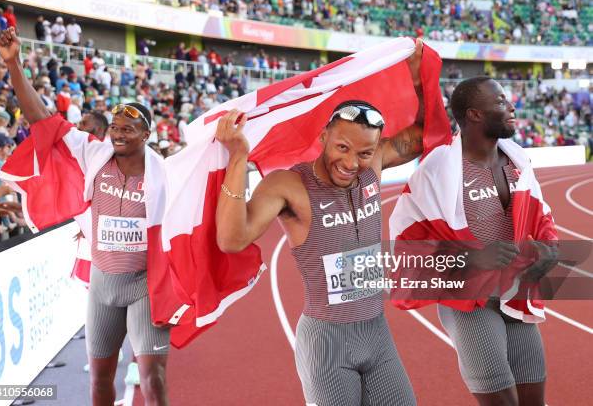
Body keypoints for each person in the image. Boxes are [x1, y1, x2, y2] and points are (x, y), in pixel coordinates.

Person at [214, 41, 426, 406]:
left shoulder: (372, 167)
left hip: (377, 332)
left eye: (363, 152)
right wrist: (238, 158)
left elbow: (421, 134)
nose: (352, 162)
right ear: (324, 137)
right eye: (342, 147)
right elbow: (232, 239)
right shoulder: (288, 185)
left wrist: (418, 76)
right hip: (327, 343)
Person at [0, 27, 171, 406]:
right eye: (114, 128)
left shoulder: (164, 175)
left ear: (146, 135)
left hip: (144, 285)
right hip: (103, 287)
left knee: (153, 378)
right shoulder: (94, 154)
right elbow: (43, 119)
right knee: (100, 380)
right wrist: (14, 65)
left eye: (128, 129)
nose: (118, 134)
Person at [389, 76, 558, 406]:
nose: (511, 107)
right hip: (469, 301)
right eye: (499, 102)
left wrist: (549, 249)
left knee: (534, 401)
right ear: (474, 114)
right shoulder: (438, 170)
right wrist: (473, 257)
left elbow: (543, 220)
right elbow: (407, 244)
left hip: (516, 293)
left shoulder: (518, 162)